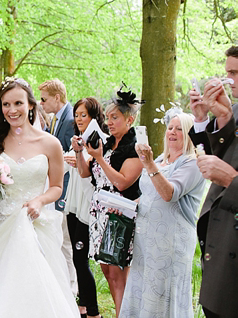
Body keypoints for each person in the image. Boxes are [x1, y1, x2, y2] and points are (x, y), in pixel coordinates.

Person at [0, 78, 79, 317]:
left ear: (31, 105)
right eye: (6, 104)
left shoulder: (50, 143)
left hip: (34, 224)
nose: (12, 110)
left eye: (18, 103)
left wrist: (39, 201)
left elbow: (56, 187)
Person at [120, 112, 206, 317]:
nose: (172, 132)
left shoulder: (192, 163)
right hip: (146, 238)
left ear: (189, 134)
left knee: (162, 290)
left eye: (179, 129)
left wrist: (148, 164)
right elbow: (150, 196)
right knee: (143, 286)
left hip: (170, 241)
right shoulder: (161, 159)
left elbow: (169, 194)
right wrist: (124, 205)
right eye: (170, 128)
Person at [74, 86, 143, 317]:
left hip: (119, 215)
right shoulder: (107, 142)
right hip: (99, 214)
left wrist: (100, 158)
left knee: (118, 274)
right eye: (109, 117)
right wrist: (78, 153)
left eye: (115, 118)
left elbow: (122, 182)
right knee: (107, 272)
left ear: (129, 119)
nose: (110, 122)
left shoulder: (134, 148)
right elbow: (86, 174)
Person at [188, 45, 238, 318]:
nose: (228, 80)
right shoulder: (235, 110)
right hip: (220, 244)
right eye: (227, 72)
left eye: (235, 73)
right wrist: (216, 118)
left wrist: (231, 179)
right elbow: (218, 154)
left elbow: (228, 171)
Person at [64, 98, 107, 318]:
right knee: (76, 258)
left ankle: (93, 311)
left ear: (94, 116)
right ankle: (83, 305)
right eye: (77, 114)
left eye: (84, 115)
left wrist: (80, 157)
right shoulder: (77, 140)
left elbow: (93, 173)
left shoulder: (99, 140)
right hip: (73, 203)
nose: (80, 119)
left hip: (87, 206)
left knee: (82, 259)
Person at [39, 79, 77, 294]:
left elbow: (66, 156)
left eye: (44, 99)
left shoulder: (70, 120)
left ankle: (72, 287)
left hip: (66, 186)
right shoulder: (56, 119)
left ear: (56, 97)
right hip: (57, 183)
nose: (42, 104)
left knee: (66, 240)